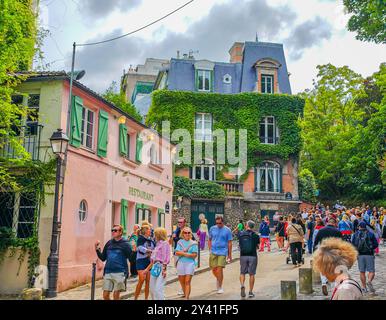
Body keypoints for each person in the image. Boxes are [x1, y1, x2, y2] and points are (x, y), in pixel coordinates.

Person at [95, 224, 132, 300]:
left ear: (120, 232)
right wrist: (97, 249)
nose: (113, 232)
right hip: (108, 272)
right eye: (112, 230)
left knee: (116, 295)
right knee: (105, 295)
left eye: (115, 230)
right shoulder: (109, 243)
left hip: (120, 272)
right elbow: (103, 258)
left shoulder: (126, 244)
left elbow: (131, 258)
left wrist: (134, 251)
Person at [313, 217, 342, 296]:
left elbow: (315, 242)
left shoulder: (321, 230)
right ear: (334, 223)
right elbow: (341, 244)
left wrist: (314, 252)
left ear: (327, 223)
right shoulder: (337, 231)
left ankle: (323, 283)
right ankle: (333, 288)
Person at [143, 227, 170, 300]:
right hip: (155, 267)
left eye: (155, 234)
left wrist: (164, 269)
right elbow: (153, 260)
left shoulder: (165, 244)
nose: (154, 236)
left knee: (158, 289)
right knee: (152, 288)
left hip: (161, 267)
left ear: (159, 235)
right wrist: (147, 269)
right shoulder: (157, 244)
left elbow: (165, 257)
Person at [351, 221, 379, 293]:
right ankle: (369, 281)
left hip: (360, 255)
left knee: (362, 271)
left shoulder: (355, 234)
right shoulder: (370, 234)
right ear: (365, 227)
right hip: (369, 254)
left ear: (359, 227)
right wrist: (371, 248)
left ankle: (364, 287)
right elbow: (376, 244)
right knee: (371, 271)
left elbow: (353, 245)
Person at [208, 215, 233, 294]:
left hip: (222, 251)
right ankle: (219, 279)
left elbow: (229, 243)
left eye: (220, 223)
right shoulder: (212, 228)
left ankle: (220, 286)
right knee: (214, 269)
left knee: (219, 269)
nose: (218, 224)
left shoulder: (227, 230)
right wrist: (210, 249)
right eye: (217, 223)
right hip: (213, 251)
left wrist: (229, 255)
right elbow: (209, 239)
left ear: (223, 222)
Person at [238, 220, 260, 298]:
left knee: (242, 272)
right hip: (253, 256)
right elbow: (258, 246)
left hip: (243, 256)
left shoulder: (241, 234)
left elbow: (240, 245)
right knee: (252, 274)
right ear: (253, 226)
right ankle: (250, 292)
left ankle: (242, 285)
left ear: (247, 225)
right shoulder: (256, 235)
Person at [175, 227, 198, 300]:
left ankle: (187, 298)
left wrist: (184, 254)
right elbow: (176, 252)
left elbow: (194, 255)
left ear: (190, 234)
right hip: (181, 263)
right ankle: (185, 294)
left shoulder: (193, 243)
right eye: (185, 232)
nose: (187, 234)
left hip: (190, 264)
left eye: (188, 233)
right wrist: (187, 254)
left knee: (187, 281)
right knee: (182, 282)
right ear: (183, 234)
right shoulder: (180, 242)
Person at [134, 225, 155, 300]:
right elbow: (139, 248)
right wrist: (148, 251)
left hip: (149, 261)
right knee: (142, 279)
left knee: (148, 282)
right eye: (149, 229)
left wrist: (152, 252)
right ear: (145, 231)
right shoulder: (140, 239)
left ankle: (146, 298)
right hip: (141, 261)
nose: (151, 231)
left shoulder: (152, 240)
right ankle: (135, 298)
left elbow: (154, 249)